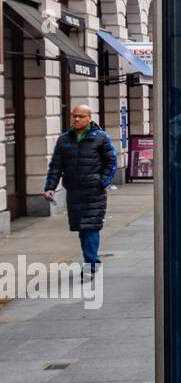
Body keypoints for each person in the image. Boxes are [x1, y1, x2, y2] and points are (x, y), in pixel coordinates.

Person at [43, 105, 117, 273]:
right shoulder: (64, 140)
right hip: (74, 191)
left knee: (90, 226)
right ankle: (90, 260)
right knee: (81, 227)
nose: (76, 119)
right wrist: (50, 187)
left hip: (94, 191)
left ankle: (91, 263)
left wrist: (103, 182)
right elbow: (56, 166)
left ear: (89, 118)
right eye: (74, 116)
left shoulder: (100, 137)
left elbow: (111, 161)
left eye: (80, 116)